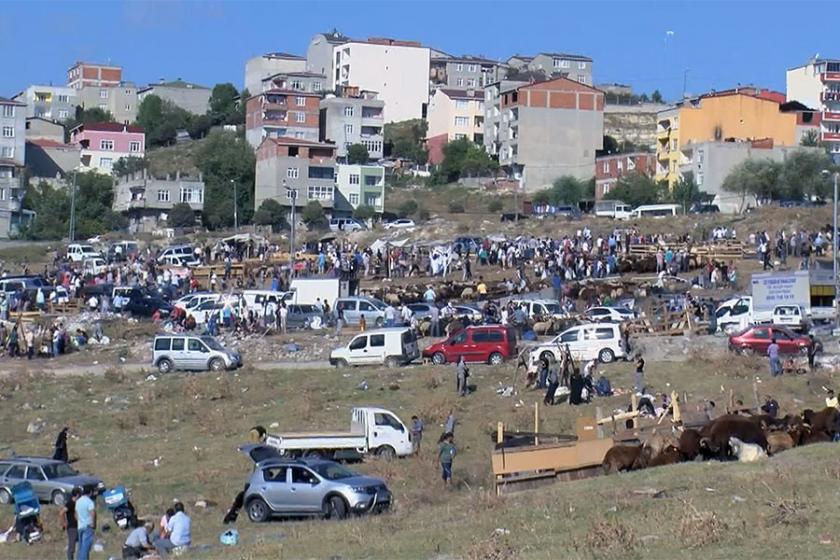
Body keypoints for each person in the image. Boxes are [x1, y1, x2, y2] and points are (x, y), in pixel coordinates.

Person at [75, 486, 96, 560]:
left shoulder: (78, 501)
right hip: (88, 526)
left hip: (80, 526)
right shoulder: (89, 501)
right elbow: (92, 513)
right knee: (86, 547)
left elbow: (76, 515)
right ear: (90, 492)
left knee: (80, 547)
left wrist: (80, 521)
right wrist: (93, 523)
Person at [59, 487, 80, 560]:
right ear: (77, 495)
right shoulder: (70, 503)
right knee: (71, 547)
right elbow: (61, 513)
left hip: (78, 526)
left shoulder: (77, 503)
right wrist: (63, 523)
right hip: (72, 527)